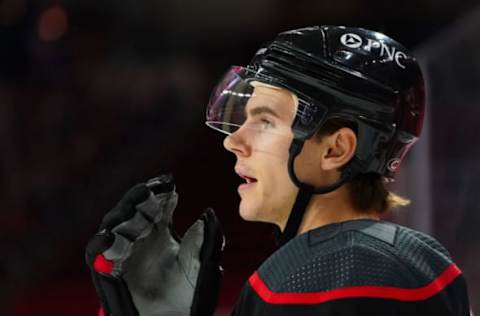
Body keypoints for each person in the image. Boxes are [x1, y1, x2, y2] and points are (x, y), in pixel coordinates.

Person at [85, 26, 471, 316]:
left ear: (336, 149)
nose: (233, 141)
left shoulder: (335, 276)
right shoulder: (420, 257)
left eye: (266, 120)